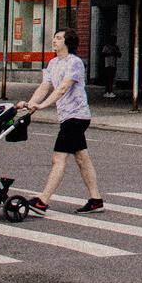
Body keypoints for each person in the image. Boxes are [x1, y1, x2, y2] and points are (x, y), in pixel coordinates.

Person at [18, 29, 103, 216]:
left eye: (58, 38)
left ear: (67, 42)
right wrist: (32, 103)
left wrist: (43, 106)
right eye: (54, 37)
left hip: (77, 117)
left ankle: (43, 200)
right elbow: (45, 86)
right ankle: (96, 200)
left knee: (58, 158)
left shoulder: (75, 63)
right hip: (66, 117)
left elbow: (63, 88)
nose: (54, 40)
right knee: (82, 158)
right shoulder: (53, 63)